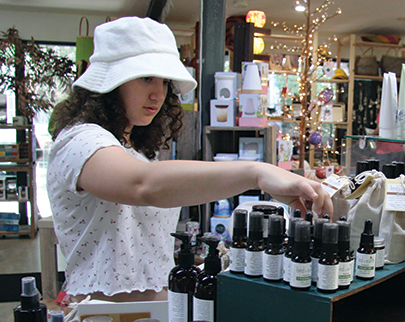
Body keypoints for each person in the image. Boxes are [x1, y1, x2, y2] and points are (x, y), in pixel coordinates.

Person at [47, 17, 332, 302]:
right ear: (111, 80)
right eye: (146, 77)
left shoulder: (134, 148)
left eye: (164, 81)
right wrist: (257, 172)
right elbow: (143, 185)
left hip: (158, 318)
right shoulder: (80, 141)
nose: (158, 93)